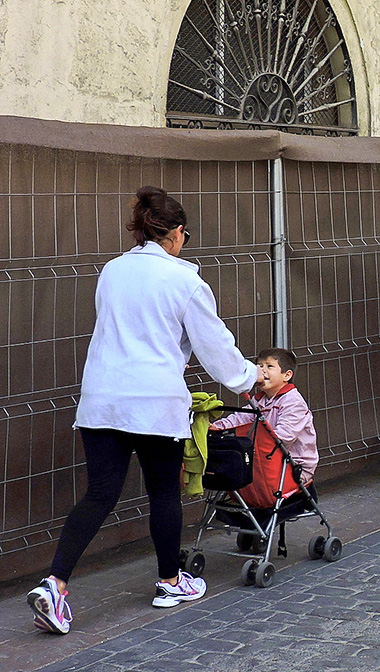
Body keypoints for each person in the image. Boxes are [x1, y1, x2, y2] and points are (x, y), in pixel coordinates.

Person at [27, 186, 264, 635]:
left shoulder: (113, 271)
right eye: (184, 235)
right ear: (174, 233)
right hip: (154, 402)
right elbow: (216, 348)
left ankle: (55, 583)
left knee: (99, 494)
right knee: (161, 493)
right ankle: (170, 581)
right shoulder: (186, 280)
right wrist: (250, 377)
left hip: (102, 399)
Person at [208, 348, 319, 485]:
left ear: (287, 375)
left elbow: (284, 436)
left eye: (269, 366)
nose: (262, 370)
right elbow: (240, 418)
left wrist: (252, 444)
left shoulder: (293, 402)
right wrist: (218, 427)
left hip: (293, 465)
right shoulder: (259, 400)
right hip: (265, 459)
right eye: (259, 366)